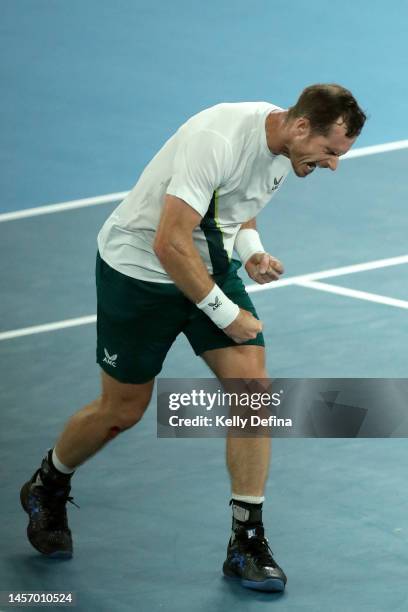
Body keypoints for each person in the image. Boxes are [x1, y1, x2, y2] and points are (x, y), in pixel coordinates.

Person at [20, 84, 366, 592]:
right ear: (299, 128)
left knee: (252, 393)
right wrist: (227, 314)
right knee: (122, 411)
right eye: (331, 152)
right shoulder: (218, 138)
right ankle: (47, 484)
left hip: (206, 262)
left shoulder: (288, 148)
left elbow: (237, 206)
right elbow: (168, 241)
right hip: (140, 271)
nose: (333, 165)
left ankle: (246, 540)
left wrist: (251, 251)